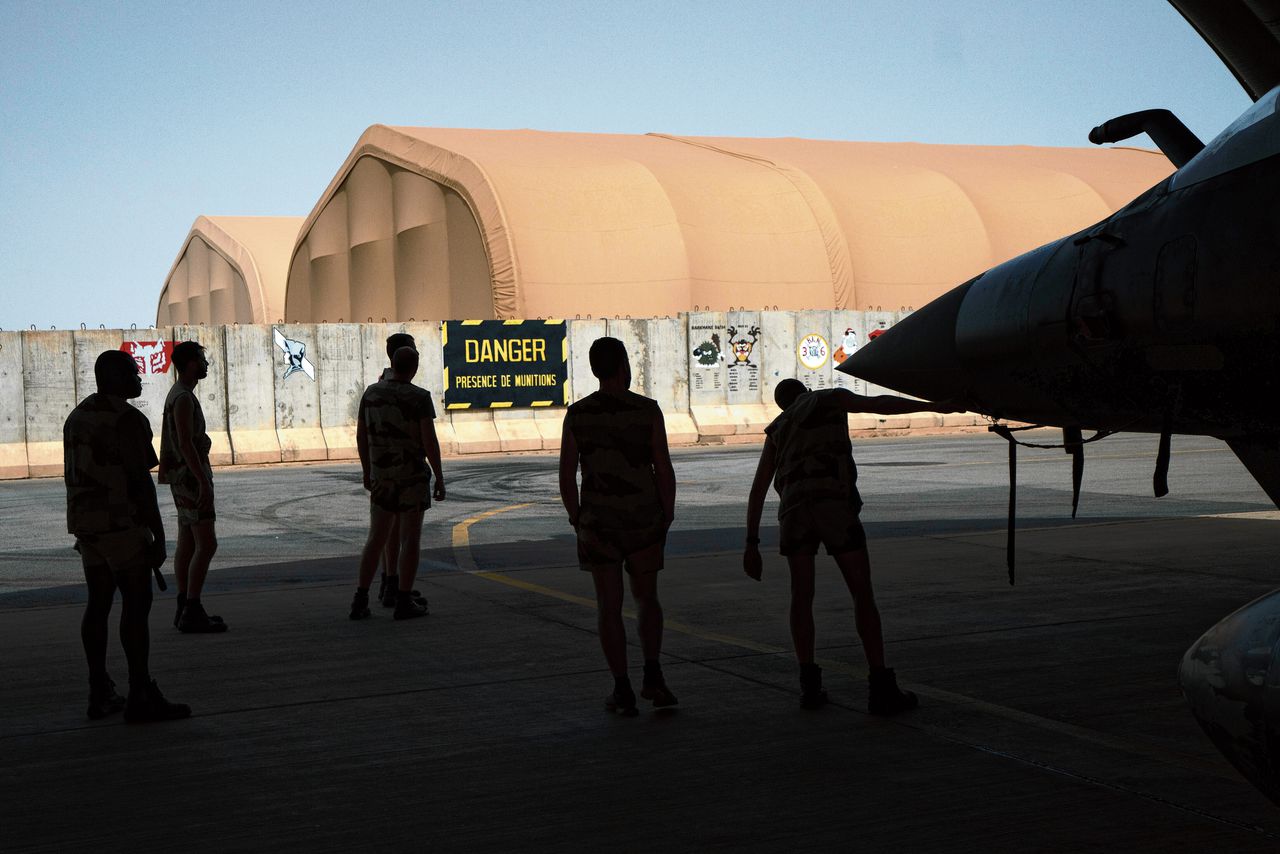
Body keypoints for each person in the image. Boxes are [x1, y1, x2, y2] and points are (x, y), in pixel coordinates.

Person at [743, 379, 952, 714]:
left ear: (783, 405)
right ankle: (881, 686)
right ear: (806, 391)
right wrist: (931, 406)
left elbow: (757, 490)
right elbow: (879, 404)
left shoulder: (778, 428)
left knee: (801, 598)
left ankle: (809, 688)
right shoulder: (830, 399)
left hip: (795, 513)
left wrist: (751, 545)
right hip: (833, 505)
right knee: (861, 594)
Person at [64, 349, 190, 723]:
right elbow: (140, 482)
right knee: (136, 605)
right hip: (121, 526)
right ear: (116, 378)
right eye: (133, 373)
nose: (139, 378)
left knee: (98, 604)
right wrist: (159, 534)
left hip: (88, 527)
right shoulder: (128, 419)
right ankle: (140, 693)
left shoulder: (77, 416)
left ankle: (99, 688)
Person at [559, 337, 678, 715]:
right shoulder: (647, 411)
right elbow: (662, 466)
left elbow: (566, 475)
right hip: (643, 520)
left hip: (599, 524)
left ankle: (622, 687)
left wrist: (578, 517)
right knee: (647, 598)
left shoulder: (578, 414)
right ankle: (654, 675)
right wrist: (667, 513)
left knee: (608, 607)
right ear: (625, 365)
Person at [349, 346, 446, 620]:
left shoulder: (371, 394)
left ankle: (360, 598)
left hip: (382, 478)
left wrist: (368, 471)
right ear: (414, 369)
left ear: (391, 364)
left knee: (376, 539)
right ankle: (404, 599)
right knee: (410, 539)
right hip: (412, 479)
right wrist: (439, 476)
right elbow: (429, 442)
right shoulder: (420, 398)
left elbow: (361, 436)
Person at [158, 341, 226, 633]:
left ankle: (184, 603)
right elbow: (185, 442)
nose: (205, 364)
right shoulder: (183, 397)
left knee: (187, 542)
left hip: (181, 478)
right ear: (188, 364)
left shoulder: (178, 395)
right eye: (201, 359)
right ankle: (192, 608)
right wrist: (201, 480)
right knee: (207, 544)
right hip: (189, 478)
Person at [374, 332, 423, 610]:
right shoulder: (403, 390)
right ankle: (395, 585)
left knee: (387, 532)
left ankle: (391, 582)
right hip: (403, 470)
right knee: (402, 534)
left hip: (383, 470)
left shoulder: (379, 386)